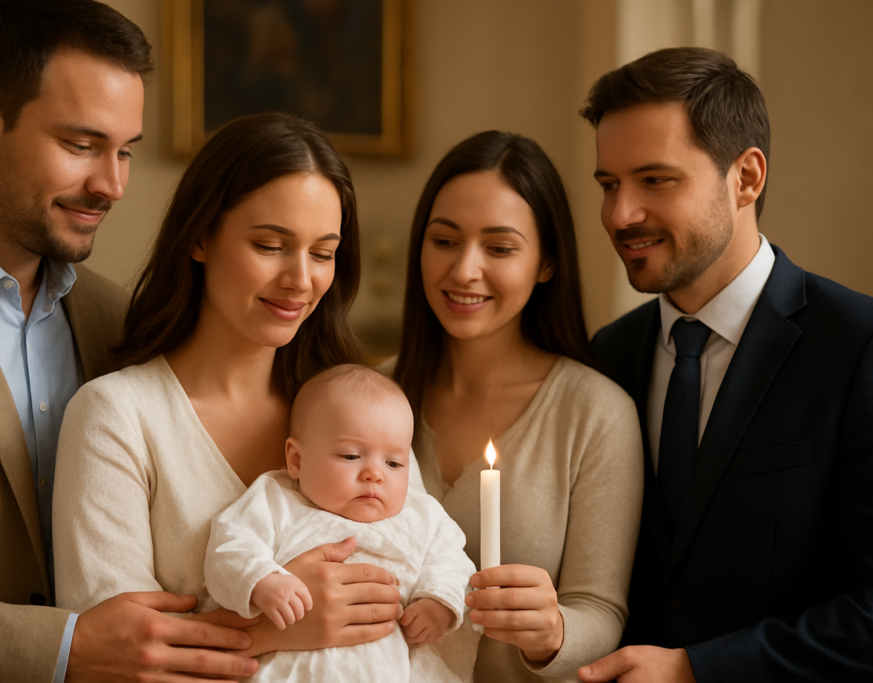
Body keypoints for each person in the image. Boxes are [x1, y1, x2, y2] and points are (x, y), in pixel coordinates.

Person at [0, 1, 246, 681]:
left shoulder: (121, 320)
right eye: (82, 145)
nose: (112, 184)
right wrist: (67, 646)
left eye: (125, 151)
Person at [53, 112, 407, 672]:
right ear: (200, 236)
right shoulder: (116, 416)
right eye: (270, 245)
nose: (300, 279)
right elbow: (116, 658)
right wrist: (272, 629)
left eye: (322, 253)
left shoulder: (359, 409)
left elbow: (409, 600)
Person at [576, 47, 873, 683]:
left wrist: (697, 670)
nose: (619, 214)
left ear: (746, 177)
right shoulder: (608, 355)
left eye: (655, 180)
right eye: (608, 184)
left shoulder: (858, 346)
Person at [389, 130, 644, 682]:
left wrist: (551, 631)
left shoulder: (596, 415)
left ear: (546, 263)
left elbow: (600, 610)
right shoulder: (369, 393)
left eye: (499, 248)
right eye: (445, 240)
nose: (463, 270)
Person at [204, 364, 478, 682]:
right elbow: (230, 544)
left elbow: (453, 561)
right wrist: (262, 581)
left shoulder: (421, 515)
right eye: (350, 456)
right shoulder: (276, 500)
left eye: (393, 463)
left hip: (394, 666)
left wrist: (437, 602)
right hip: (294, 669)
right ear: (297, 460)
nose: (375, 473)